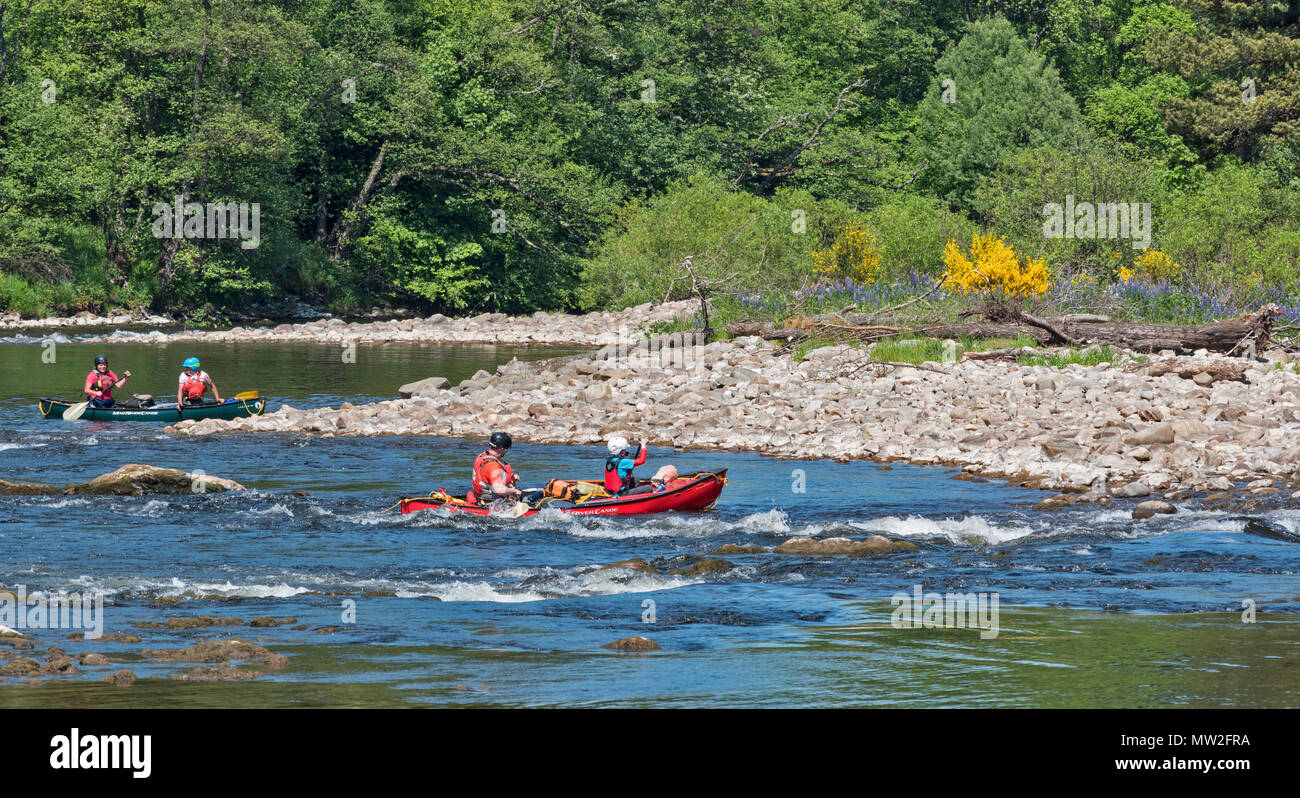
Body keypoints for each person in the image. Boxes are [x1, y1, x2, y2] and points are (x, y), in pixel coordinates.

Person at [466, 431, 523, 508]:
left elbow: (486, 476)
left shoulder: (482, 456)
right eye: (506, 449)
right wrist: (514, 491)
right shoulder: (493, 465)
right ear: (502, 449)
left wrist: (511, 477)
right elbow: (499, 489)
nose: (507, 451)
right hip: (490, 503)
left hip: (479, 496)